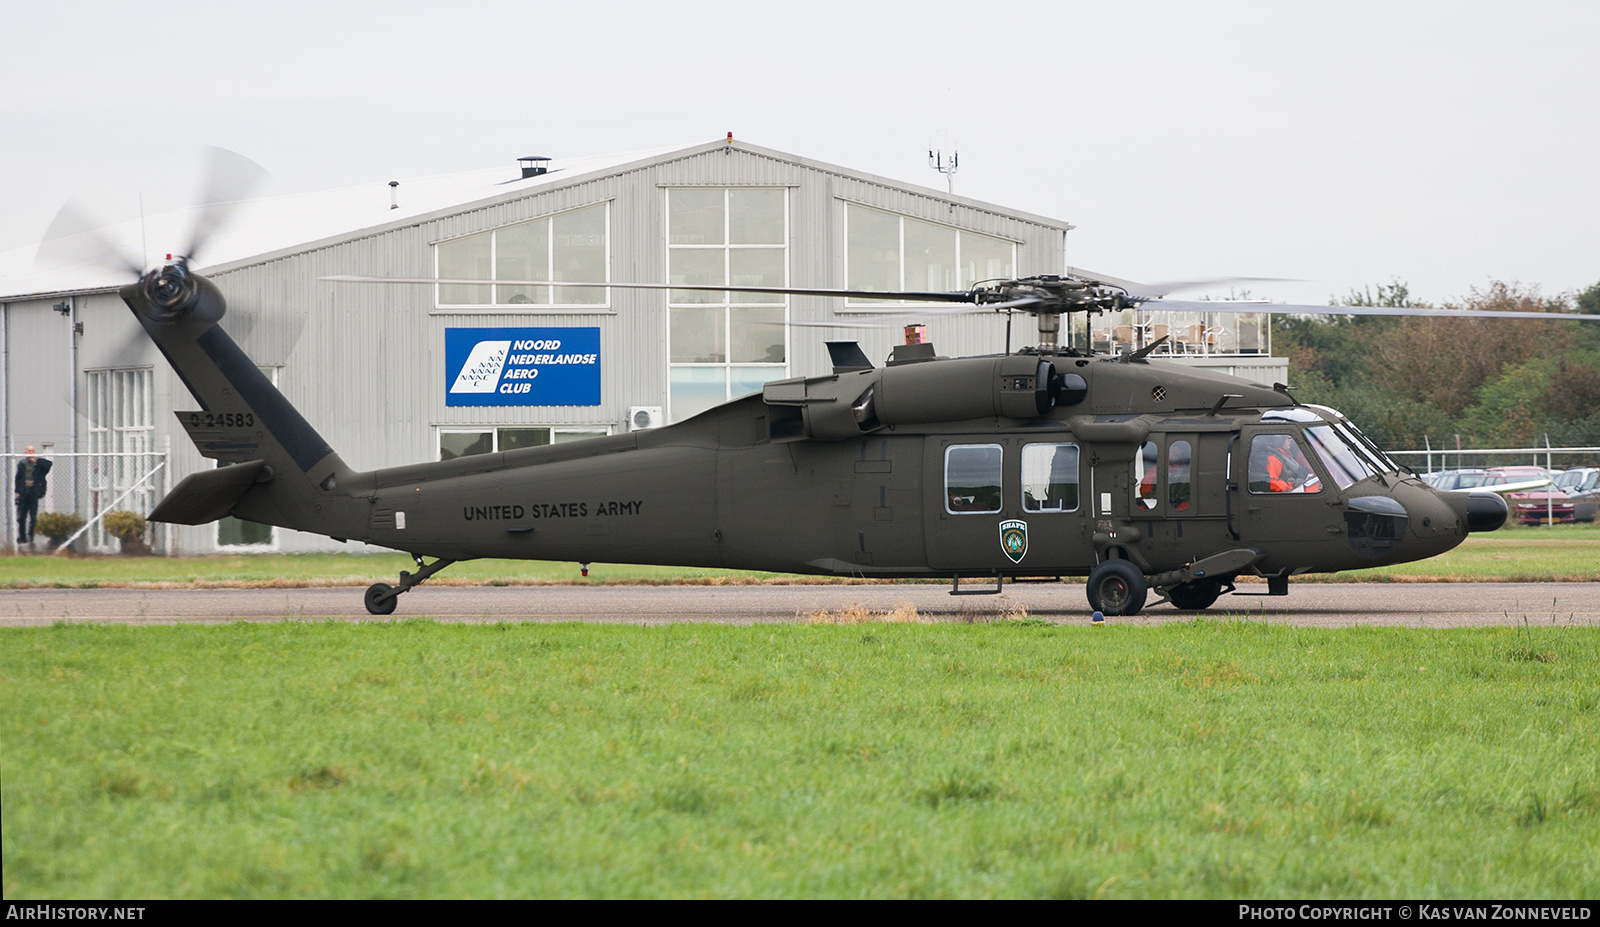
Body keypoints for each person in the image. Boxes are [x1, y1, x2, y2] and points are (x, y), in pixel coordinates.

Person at [14, 445, 52, 545]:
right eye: (29, 451)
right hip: (23, 493)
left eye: (33, 451)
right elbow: (18, 479)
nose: (31, 453)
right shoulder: (22, 464)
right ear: (25, 452)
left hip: (34, 493)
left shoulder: (39, 464)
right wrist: (17, 491)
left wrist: (36, 461)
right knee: (21, 517)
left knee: (33, 516)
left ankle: (31, 536)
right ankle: (22, 537)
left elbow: (49, 465)